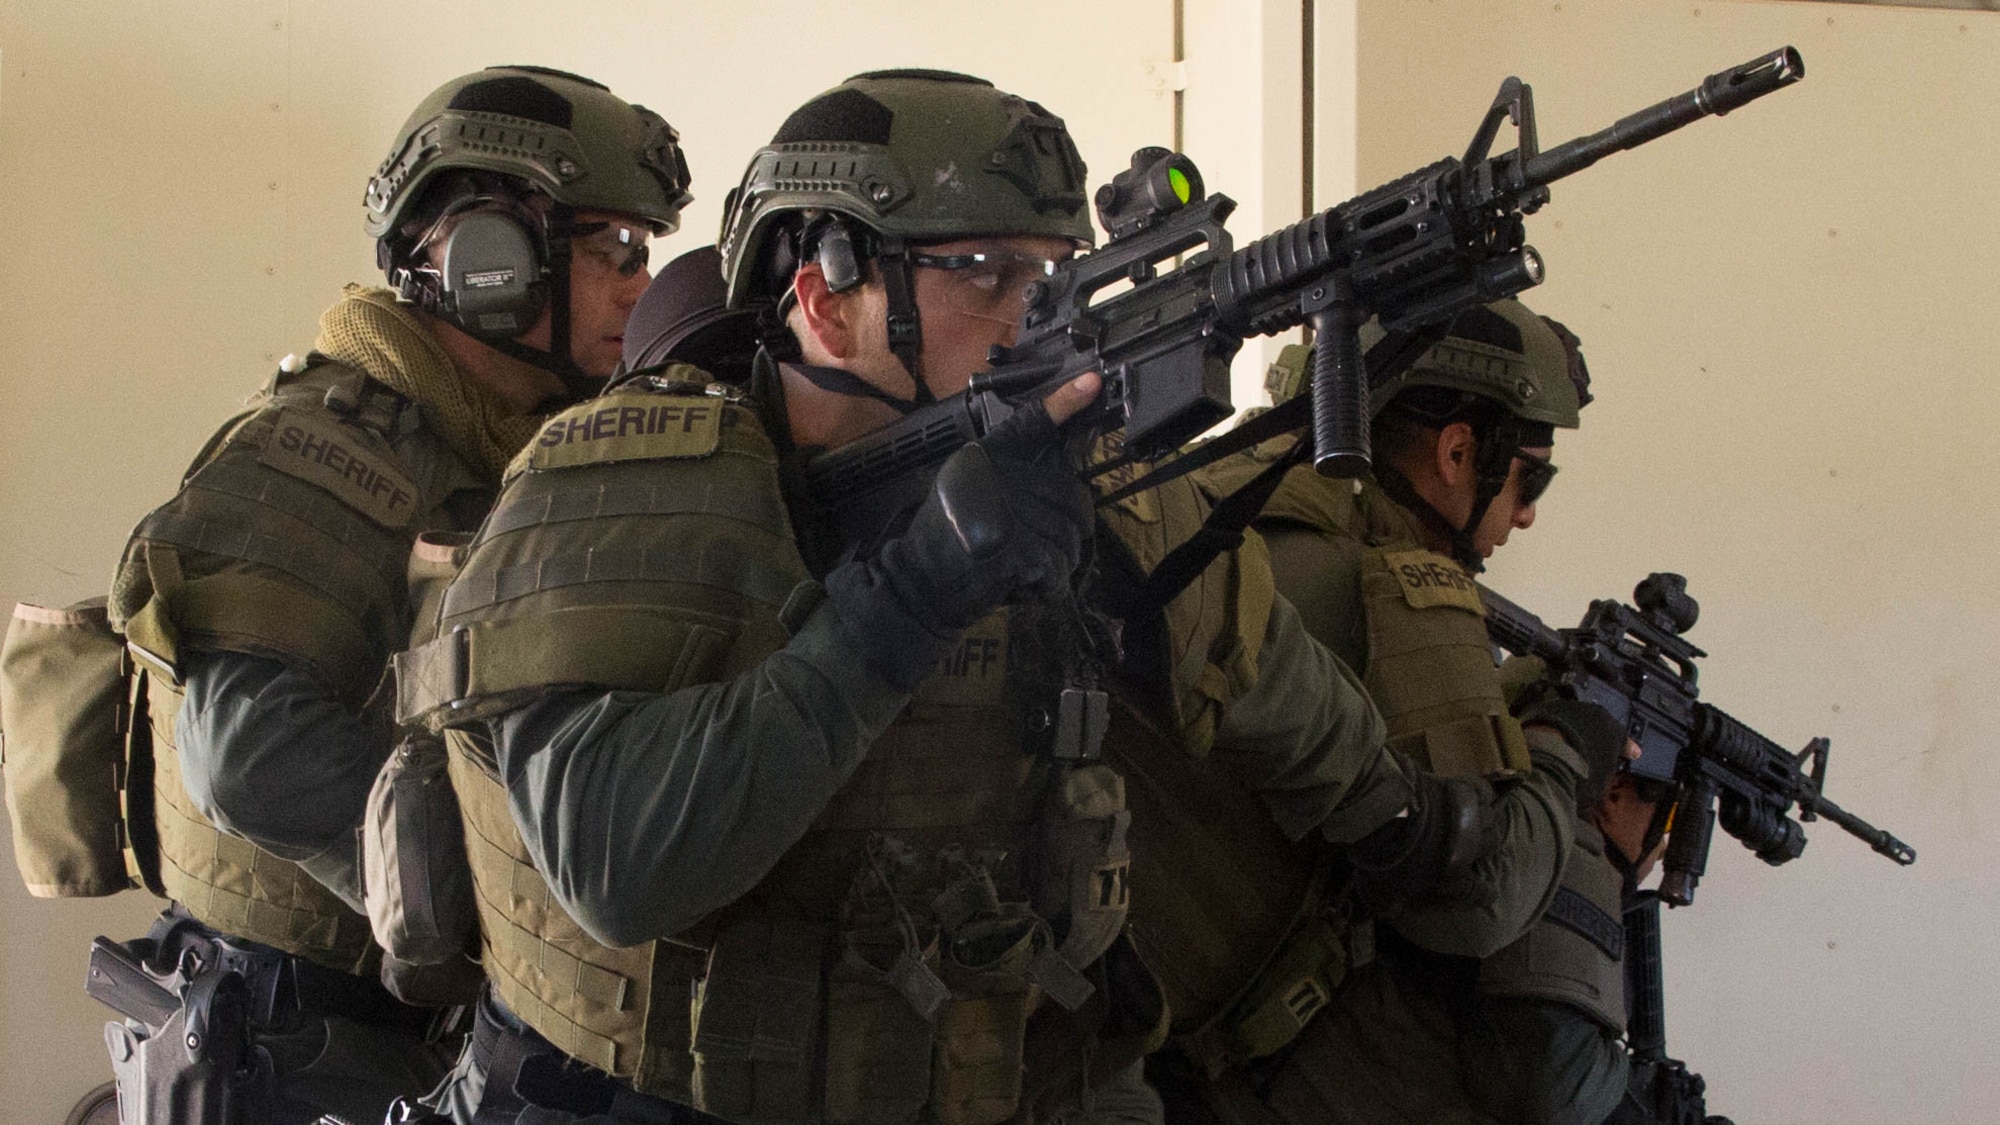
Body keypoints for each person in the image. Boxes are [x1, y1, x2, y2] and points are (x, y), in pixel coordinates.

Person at [396, 68, 1476, 1125]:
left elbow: (1274, 683)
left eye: (1053, 274)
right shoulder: (621, 481)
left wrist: (1418, 828)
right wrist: (912, 598)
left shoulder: (1079, 488)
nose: (1036, 314)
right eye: (986, 273)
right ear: (826, 301)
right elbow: (614, 867)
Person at [98, 65, 689, 1124]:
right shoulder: (326, 454)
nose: (639, 288)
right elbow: (248, 755)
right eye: (616, 250)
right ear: (490, 259)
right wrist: (504, 897)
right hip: (290, 1036)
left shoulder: (511, 445)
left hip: (406, 1026)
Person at [1135, 301, 1631, 1124]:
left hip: (1122, 1021)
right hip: (1245, 1068)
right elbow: (1481, 896)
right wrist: (1564, 749)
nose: (1528, 512)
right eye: (1530, 479)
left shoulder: (1230, 488)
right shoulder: (1397, 584)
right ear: (1457, 452)